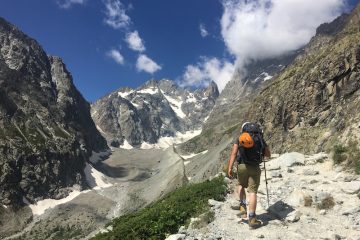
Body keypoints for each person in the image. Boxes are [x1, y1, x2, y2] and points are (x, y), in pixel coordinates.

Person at [227, 122, 271, 229]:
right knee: (252, 192)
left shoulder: (240, 138)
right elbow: (268, 154)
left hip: (242, 166)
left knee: (241, 185)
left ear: (243, 129)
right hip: (255, 167)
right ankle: (252, 218)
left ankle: (242, 206)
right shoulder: (259, 138)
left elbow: (233, 153)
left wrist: (230, 167)